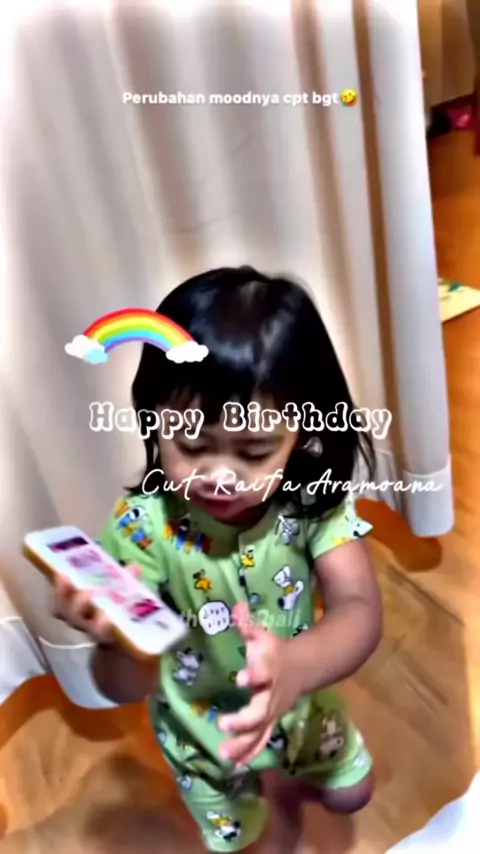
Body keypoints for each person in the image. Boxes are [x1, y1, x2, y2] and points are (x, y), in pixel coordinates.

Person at [53, 266, 382, 852]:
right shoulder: (142, 528)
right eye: (193, 445)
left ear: (302, 435)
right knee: (247, 842)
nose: (221, 476)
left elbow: (360, 608)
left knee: (352, 794)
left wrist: (298, 666)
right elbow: (121, 687)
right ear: (154, 419)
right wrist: (115, 643)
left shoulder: (309, 500)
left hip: (297, 701)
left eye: (254, 451)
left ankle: (292, 779)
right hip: (201, 737)